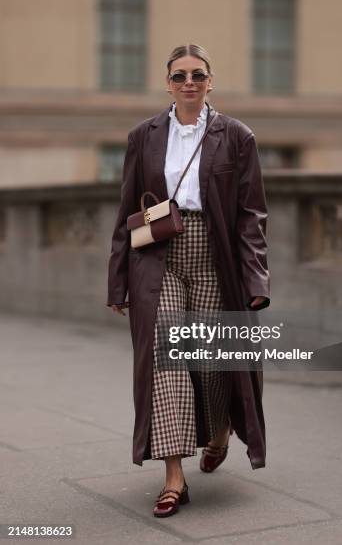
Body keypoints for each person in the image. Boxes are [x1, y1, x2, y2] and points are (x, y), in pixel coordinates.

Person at [107, 43, 270, 518]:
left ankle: (219, 431)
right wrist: (117, 280)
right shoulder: (144, 135)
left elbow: (251, 215)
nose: (189, 83)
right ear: (168, 83)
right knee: (168, 364)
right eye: (179, 76)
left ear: (210, 81)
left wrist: (255, 278)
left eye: (197, 74)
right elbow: (125, 213)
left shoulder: (236, 135)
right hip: (158, 257)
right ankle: (174, 476)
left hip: (214, 257)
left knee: (214, 363)